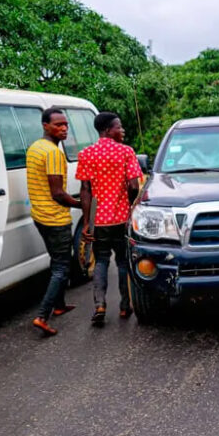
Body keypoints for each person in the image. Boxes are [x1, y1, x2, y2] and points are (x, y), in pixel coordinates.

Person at [76, 112, 142, 325]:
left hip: (99, 222)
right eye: (119, 127)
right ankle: (124, 306)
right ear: (107, 130)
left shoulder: (86, 154)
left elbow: (85, 189)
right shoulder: (126, 152)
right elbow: (134, 185)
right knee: (123, 262)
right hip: (121, 219)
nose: (122, 131)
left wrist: (87, 221)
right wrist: (130, 206)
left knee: (101, 261)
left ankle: (100, 305)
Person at [27, 107, 81, 336]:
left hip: (39, 215)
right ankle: (42, 315)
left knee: (56, 260)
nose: (63, 128)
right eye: (58, 125)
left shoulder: (34, 147)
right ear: (45, 126)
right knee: (61, 266)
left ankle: (59, 306)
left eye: (65, 125)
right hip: (55, 217)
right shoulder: (53, 153)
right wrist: (82, 205)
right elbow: (58, 193)